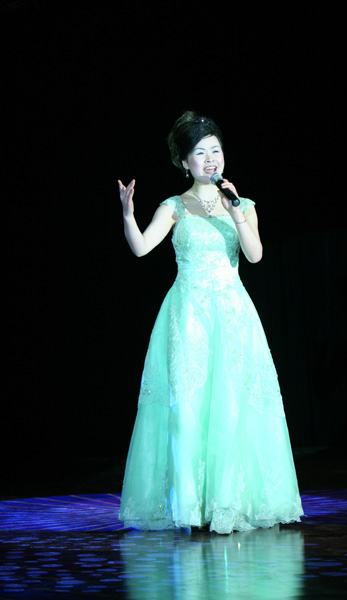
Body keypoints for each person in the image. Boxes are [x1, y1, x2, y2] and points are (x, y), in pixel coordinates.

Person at [118, 111, 304, 534]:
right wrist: (128, 214)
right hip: (188, 315)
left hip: (234, 316)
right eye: (200, 153)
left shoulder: (244, 204)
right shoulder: (173, 207)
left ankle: (229, 501)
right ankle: (190, 505)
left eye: (215, 150)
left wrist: (235, 210)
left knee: (232, 406)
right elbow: (142, 248)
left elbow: (255, 255)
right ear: (185, 161)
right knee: (188, 410)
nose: (210, 159)